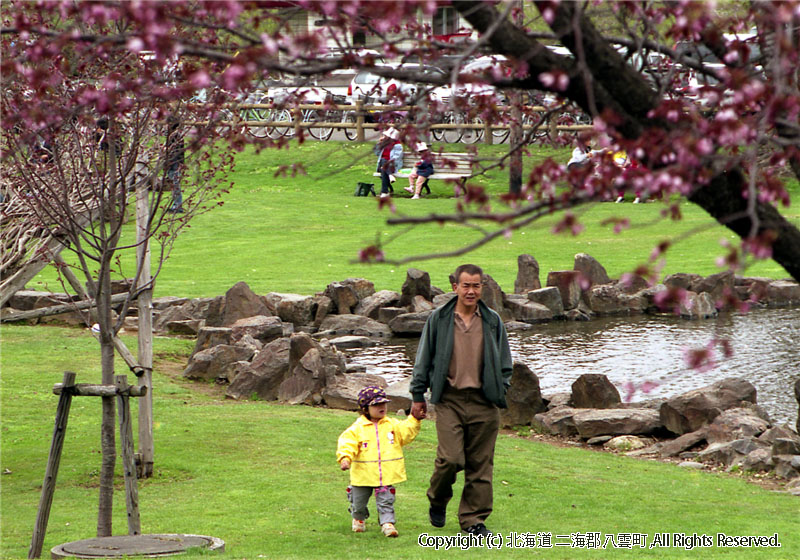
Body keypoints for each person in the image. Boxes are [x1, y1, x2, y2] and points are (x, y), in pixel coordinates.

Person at [409, 264, 513, 537]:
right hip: (450, 401)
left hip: (484, 401)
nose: (470, 291)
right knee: (450, 459)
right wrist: (418, 395)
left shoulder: (492, 321)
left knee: (481, 464)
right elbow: (423, 359)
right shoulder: (439, 319)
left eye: (476, 286)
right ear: (455, 287)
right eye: (465, 285)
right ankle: (438, 498)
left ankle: (473, 521)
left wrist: (501, 387)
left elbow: (505, 362)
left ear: (482, 288)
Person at [337, 386, 423, 538]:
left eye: (383, 403)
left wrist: (414, 419)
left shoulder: (392, 425)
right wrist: (345, 458)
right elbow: (347, 444)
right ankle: (358, 518)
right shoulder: (356, 429)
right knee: (358, 502)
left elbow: (406, 432)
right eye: (376, 405)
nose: (381, 407)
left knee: (386, 500)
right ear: (365, 408)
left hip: (386, 475)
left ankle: (387, 524)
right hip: (363, 476)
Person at [373, 127, 403, 198]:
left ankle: (385, 192)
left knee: (384, 168)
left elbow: (397, 157)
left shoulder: (397, 145)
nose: (384, 137)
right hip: (383, 165)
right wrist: (379, 144)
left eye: (386, 136)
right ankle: (390, 176)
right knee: (383, 161)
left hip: (392, 165)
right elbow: (376, 153)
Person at [165, 115, 185, 213]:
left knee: (176, 185)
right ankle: (175, 205)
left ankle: (178, 206)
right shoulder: (172, 135)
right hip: (173, 163)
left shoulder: (175, 136)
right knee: (174, 185)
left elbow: (176, 152)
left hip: (175, 163)